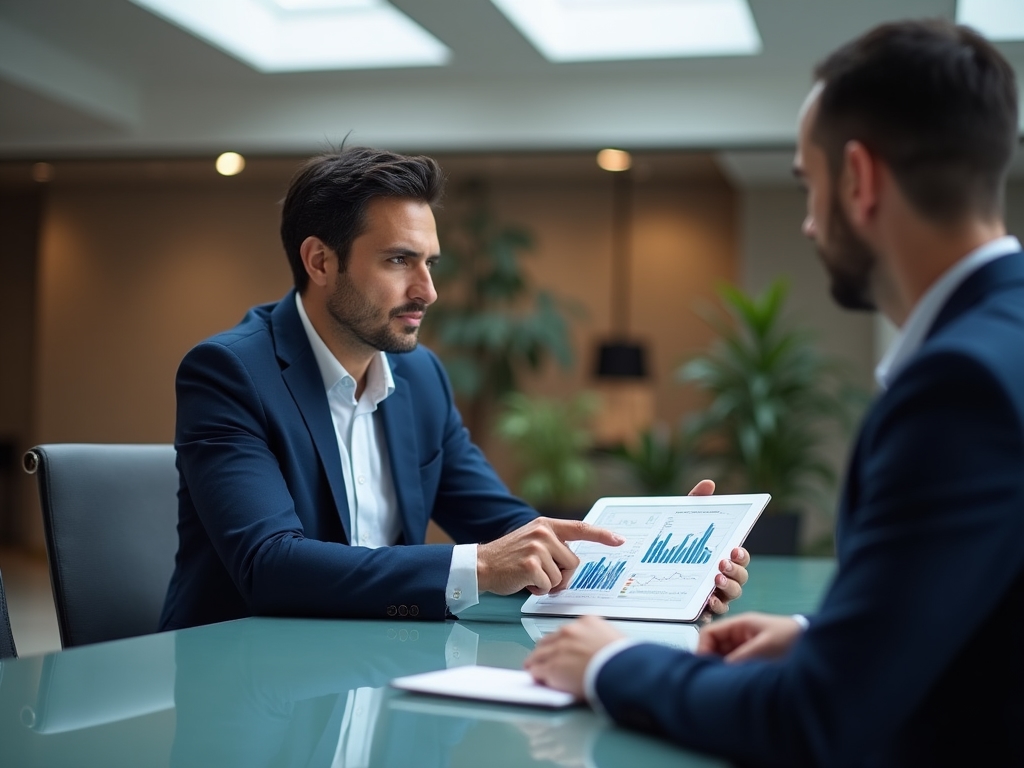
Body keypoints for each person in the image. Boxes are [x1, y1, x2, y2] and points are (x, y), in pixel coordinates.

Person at [526, 19, 1024, 766]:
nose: (810, 222)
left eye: (807, 185)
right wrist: (823, 639)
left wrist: (610, 663)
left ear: (858, 179)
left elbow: (815, 722)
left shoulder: (960, 385)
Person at [159, 147, 749, 631]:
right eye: (399, 261)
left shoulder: (421, 377)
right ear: (319, 261)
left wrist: (661, 573)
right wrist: (479, 567)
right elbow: (268, 566)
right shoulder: (231, 372)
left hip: (375, 658)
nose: (427, 291)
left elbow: (504, 527)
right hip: (245, 679)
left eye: (431, 263)